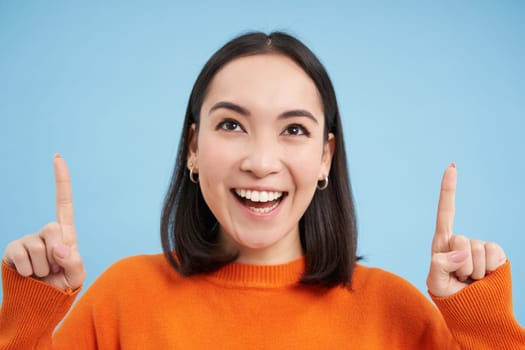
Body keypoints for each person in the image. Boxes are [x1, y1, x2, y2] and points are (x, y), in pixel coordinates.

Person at [0, 31, 523, 349]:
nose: (260, 161)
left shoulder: (397, 313)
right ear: (193, 148)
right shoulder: (121, 299)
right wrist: (29, 314)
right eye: (231, 125)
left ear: (325, 157)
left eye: (294, 129)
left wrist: (484, 327)